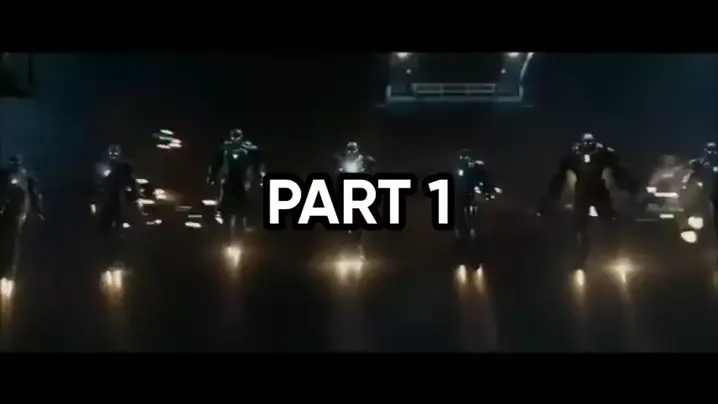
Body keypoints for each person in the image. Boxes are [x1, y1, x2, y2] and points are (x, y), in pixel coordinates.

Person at [539, 133, 640, 270]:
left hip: (597, 191)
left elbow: (619, 171)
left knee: (608, 222)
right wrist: (552, 195)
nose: (587, 147)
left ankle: (611, 252)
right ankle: (583, 255)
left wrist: (630, 186)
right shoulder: (576, 156)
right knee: (581, 226)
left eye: (589, 144)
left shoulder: (601, 154)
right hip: (584, 193)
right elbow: (559, 178)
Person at [207, 128, 265, 244]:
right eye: (234, 137)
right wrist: (211, 177)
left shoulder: (247, 149)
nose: (235, 139)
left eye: (237, 137)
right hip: (229, 182)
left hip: (242, 182)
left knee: (242, 211)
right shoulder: (225, 148)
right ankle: (228, 237)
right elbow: (215, 164)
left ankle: (239, 236)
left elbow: (259, 162)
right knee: (227, 210)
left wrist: (262, 176)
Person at [93, 144, 140, 266]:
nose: (113, 155)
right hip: (107, 203)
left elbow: (133, 186)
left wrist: (133, 196)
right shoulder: (102, 167)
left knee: (123, 228)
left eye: (116, 153)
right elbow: (97, 183)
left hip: (119, 204)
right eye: (112, 153)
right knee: (102, 226)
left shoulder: (124, 168)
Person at [0, 155, 43, 280]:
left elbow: (32, 194)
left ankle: (8, 273)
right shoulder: (5, 175)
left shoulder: (24, 178)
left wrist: (37, 210)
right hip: (9, 213)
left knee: (12, 243)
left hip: (15, 214)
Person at [334, 141, 376, 258]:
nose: (352, 151)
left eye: (353, 149)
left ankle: (360, 245)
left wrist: (368, 171)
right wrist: (338, 171)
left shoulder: (362, 159)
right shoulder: (343, 159)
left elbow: (371, 166)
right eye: (350, 149)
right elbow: (336, 166)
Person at [453, 149, 497, 250]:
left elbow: (484, 179)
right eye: (463, 158)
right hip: (462, 197)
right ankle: (462, 239)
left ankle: (472, 237)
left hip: (470, 196)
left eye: (466, 158)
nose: (465, 160)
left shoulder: (474, 168)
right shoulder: (458, 169)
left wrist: (487, 191)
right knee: (461, 217)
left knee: (472, 216)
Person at [683, 142, 718, 240]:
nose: (711, 152)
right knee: (700, 210)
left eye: (713, 149)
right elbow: (691, 177)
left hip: (713, 190)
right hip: (705, 191)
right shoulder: (701, 163)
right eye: (709, 149)